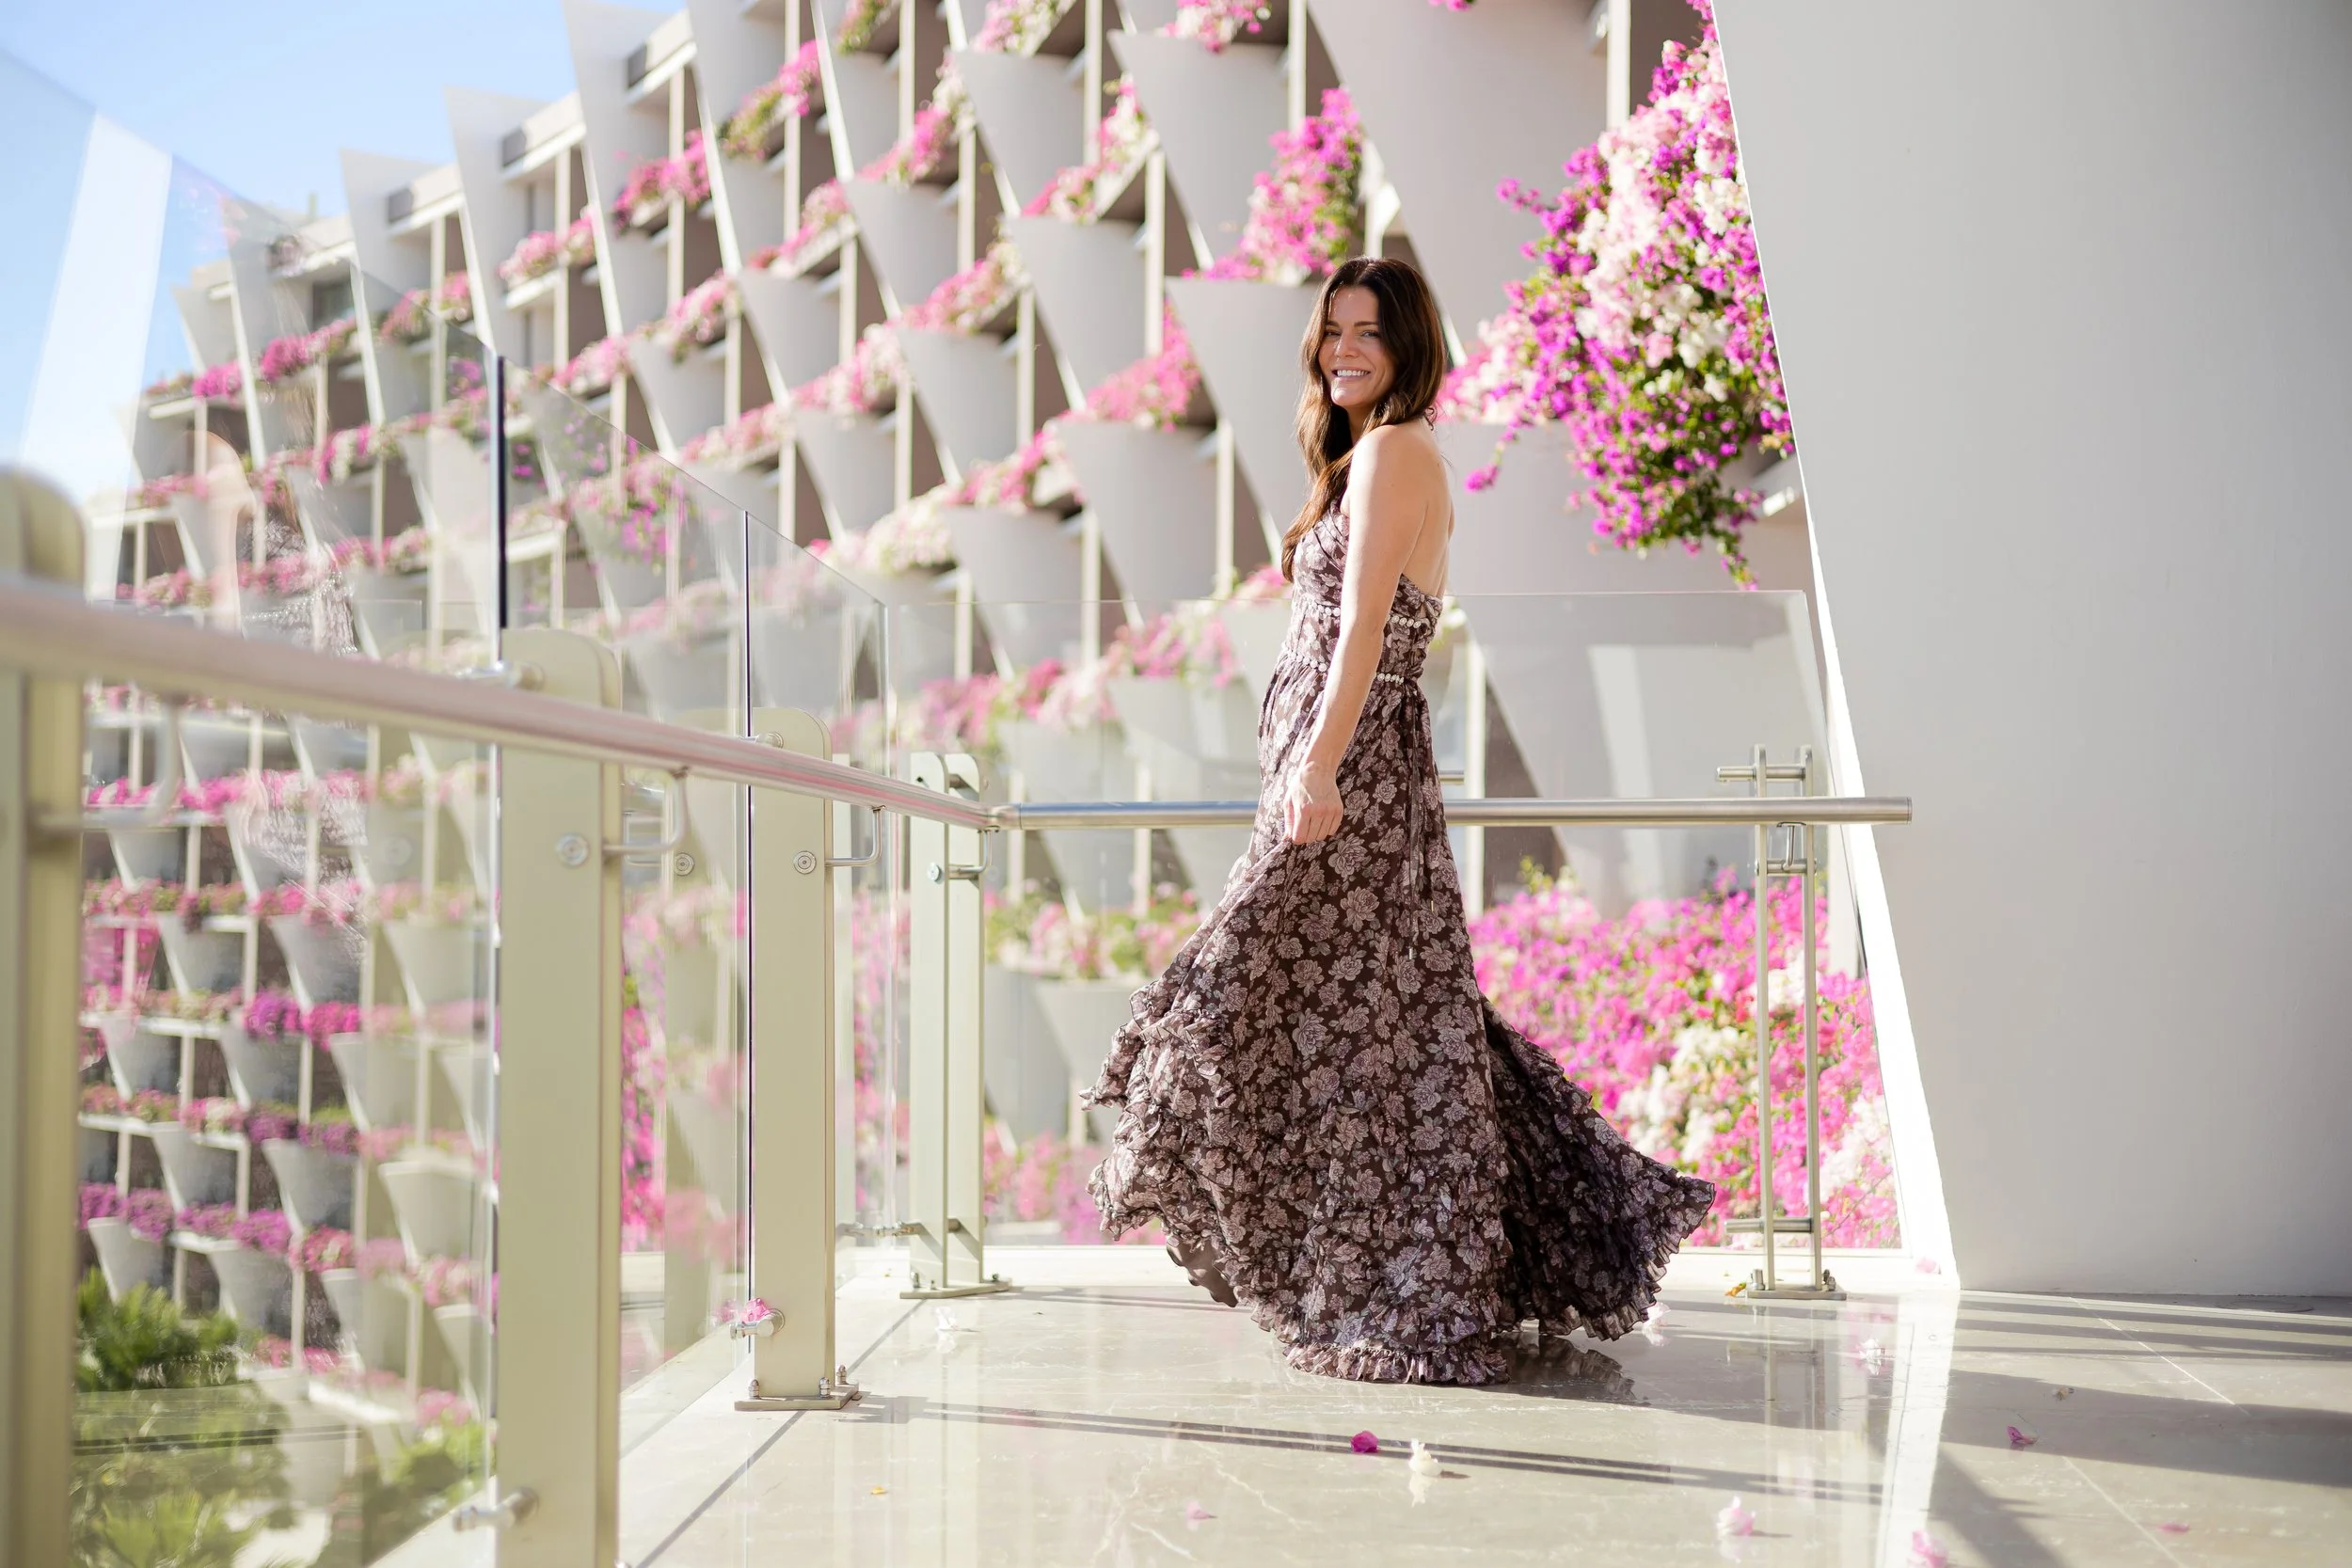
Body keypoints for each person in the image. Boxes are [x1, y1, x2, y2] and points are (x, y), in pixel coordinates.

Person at [1085, 256, 1716, 1386]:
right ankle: (1415, 1261)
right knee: (1389, 1023)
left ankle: (1396, 1271)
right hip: (1339, 765)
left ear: (1408, 342)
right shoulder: (1369, 455)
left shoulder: (1393, 450)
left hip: (1355, 770)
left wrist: (1316, 768)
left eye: (1366, 331)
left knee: (1247, 1003)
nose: (1343, 350)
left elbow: (1366, 628)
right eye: (1331, 331)